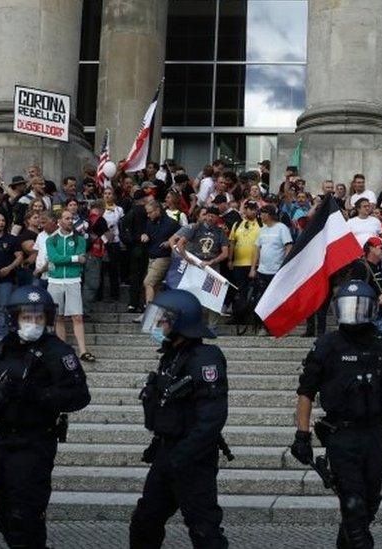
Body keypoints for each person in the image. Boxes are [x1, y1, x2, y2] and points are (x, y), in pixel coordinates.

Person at [291, 280, 382, 548]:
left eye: (359, 306)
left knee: (370, 500)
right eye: (348, 307)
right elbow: (306, 391)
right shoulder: (327, 346)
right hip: (341, 435)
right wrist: (302, 435)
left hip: (374, 433)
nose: (354, 313)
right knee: (353, 503)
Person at [0, 286, 91, 548]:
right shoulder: (3, 348)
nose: (32, 323)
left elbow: (80, 396)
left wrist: (37, 394)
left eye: (38, 317)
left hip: (35, 441)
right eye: (27, 317)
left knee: (24, 511)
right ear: (15, 318)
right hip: (4, 438)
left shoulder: (58, 352)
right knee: (0, 506)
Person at [130, 290, 230, 548]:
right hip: (167, 451)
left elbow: (212, 418)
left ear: (180, 323)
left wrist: (182, 456)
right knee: (145, 523)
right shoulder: (171, 355)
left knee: (203, 529)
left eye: (162, 320)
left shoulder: (205, 359)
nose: (157, 325)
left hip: (193, 458)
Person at [46, 210, 95, 362]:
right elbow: (54, 259)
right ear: (59, 221)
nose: (70, 221)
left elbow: (82, 259)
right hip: (55, 281)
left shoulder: (80, 239)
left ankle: (83, 351)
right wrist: (74, 258)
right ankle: (63, 350)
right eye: (66, 218)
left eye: (72, 218)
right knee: (58, 316)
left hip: (73, 280)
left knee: (77, 316)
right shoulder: (51, 240)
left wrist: (69, 260)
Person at [0, 213, 22, 340]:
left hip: (6, 280)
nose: (1, 223)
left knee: (2, 310)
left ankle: (1, 340)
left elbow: (19, 256)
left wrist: (9, 268)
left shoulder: (12, 239)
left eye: (3, 220)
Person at [141, 200, 180, 307]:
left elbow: (181, 238)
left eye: (150, 212)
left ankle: (148, 313)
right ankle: (156, 313)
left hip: (163, 257)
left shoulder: (172, 223)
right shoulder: (150, 222)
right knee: (154, 286)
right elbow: (147, 234)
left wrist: (170, 242)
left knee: (148, 282)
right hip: (151, 256)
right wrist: (145, 235)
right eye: (147, 213)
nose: (148, 215)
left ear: (158, 210)